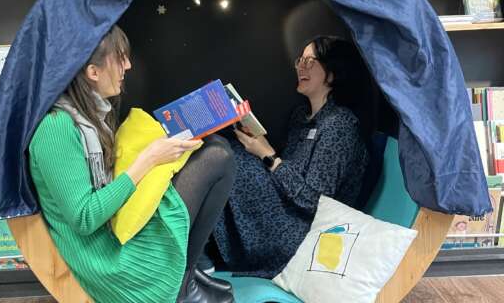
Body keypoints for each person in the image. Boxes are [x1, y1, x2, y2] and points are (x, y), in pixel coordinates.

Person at [28, 25, 236, 303]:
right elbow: (85, 218)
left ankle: (185, 276)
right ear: (93, 72)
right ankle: (182, 285)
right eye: (120, 58)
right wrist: (148, 159)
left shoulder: (90, 113)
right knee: (216, 158)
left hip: (116, 232)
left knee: (216, 146)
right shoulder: (56, 127)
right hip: (109, 261)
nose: (128, 65)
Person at [211, 35, 370, 278]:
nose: (301, 67)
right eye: (300, 60)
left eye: (311, 61)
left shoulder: (340, 126)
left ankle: (198, 255)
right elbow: (287, 174)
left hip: (302, 231)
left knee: (224, 156)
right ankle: (198, 250)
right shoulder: (300, 116)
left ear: (333, 72)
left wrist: (268, 155)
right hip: (284, 209)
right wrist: (256, 142)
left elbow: (315, 202)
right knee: (222, 143)